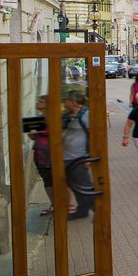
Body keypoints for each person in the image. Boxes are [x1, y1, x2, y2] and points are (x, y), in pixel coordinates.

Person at [61, 90, 95, 219]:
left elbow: (94, 135)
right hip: (66, 157)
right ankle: (83, 209)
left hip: (79, 158)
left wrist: (89, 157)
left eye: (67, 100)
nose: (64, 102)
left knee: (83, 185)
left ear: (74, 102)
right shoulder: (66, 115)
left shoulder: (86, 115)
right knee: (73, 184)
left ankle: (97, 208)